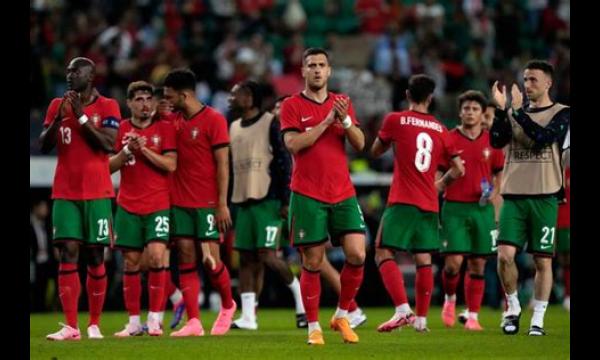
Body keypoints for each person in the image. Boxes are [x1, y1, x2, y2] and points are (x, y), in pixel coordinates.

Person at [280, 48, 367, 345]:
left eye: (321, 65)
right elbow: (294, 144)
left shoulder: (343, 103)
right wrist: (327, 120)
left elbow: (360, 143)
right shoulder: (291, 105)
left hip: (342, 191)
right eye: (311, 66)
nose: (317, 70)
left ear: (329, 71)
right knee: (313, 260)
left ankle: (342, 314)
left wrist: (343, 121)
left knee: (357, 253)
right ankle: (313, 326)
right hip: (307, 193)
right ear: (303, 71)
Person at [370, 74, 464, 333]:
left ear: (408, 95)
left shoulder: (395, 119)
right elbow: (458, 168)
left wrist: (393, 144)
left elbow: (375, 150)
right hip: (429, 202)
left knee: (382, 251)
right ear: (430, 98)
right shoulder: (441, 129)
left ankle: (402, 309)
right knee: (423, 258)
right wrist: (440, 186)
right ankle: (421, 320)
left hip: (403, 199)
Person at [40, 57, 121, 340]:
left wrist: (81, 116)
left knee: (95, 254)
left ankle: (94, 323)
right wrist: (61, 118)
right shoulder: (56, 105)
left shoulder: (109, 105)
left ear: (91, 76)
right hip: (65, 192)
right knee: (68, 251)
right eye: (68, 70)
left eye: (76, 71)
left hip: (97, 192)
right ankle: (72, 326)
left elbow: (109, 144)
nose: (70, 74)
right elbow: (44, 144)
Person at [490, 60, 570, 336]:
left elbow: (543, 137)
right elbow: (496, 141)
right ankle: (512, 308)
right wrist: (502, 112)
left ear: (548, 83)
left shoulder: (563, 113)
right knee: (504, 256)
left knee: (542, 261)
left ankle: (538, 319)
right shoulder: (514, 112)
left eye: (534, 79)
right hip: (513, 196)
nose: (527, 84)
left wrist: (514, 112)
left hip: (545, 197)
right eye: (525, 79)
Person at [227, 81, 307, 330]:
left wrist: (284, 199)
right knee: (247, 259)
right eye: (236, 93)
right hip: (243, 199)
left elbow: (284, 162)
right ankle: (249, 317)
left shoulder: (270, 123)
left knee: (268, 256)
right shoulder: (233, 127)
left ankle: (301, 301)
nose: (237, 97)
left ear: (253, 97)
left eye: (242, 93)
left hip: (268, 199)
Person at [163, 68, 236, 337]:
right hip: (179, 201)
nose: (167, 101)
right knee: (185, 257)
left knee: (210, 260)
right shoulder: (173, 120)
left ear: (185, 95)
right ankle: (194, 321)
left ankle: (228, 305)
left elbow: (222, 166)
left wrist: (222, 204)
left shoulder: (214, 120)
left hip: (206, 202)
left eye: (170, 97)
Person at [109, 81, 177, 337]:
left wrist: (143, 149)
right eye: (139, 99)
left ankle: (155, 319)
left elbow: (170, 165)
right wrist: (127, 149)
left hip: (158, 204)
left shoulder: (165, 128)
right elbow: (108, 168)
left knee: (158, 256)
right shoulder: (121, 129)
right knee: (131, 262)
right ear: (129, 103)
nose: (145, 104)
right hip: (127, 204)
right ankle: (134, 322)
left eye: (149, 98)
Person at [438, 90, 505, 331]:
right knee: (453, 264)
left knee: (478, 264)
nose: (470, 112)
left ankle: (473, 316)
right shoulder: (448, 138)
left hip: (482, 209)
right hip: (454, 207)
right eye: (466, 108)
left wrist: (494, 193)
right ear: (460, 112)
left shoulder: (492, 140)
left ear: (481, 113)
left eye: (475, 109)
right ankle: (450, 300)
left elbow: (499, 172)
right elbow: (438, 170)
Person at [30, 199, 57, 312]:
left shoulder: (47, 225)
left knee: (46, 287)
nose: (45, 210)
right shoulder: (31, 225)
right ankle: (36, 309)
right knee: (36, 288)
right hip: (34, 262)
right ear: (35, 208)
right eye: (42, 207)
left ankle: (46, 308)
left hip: (47, 262)